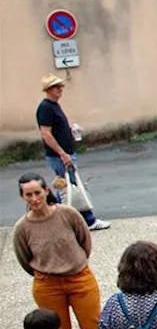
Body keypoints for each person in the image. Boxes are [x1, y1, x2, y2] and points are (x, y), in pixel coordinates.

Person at [12, 173, 106, 329]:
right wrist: (45, 272)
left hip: (79, 277)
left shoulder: (67, 214)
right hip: (47, 283)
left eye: (37, 192)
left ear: (46, 191)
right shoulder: (22, 227)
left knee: (93, 326)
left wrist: (76, 263)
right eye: (28, 195)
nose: (34, 199)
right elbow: (24, 257)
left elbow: (84, 241)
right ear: (22, 198)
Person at [36, 74, 109, 230]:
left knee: (64, 189)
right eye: (57, 87)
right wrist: (62, 154)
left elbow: (56, 129)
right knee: (73, 188)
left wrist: (70, 131)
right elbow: (46, 133)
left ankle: (51, 218)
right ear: (49, 89)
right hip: (59, 156)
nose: (60, 89)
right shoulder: (45, 108)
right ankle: (89, 220)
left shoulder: (54, 105)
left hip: (65, 153)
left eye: (60, 86)